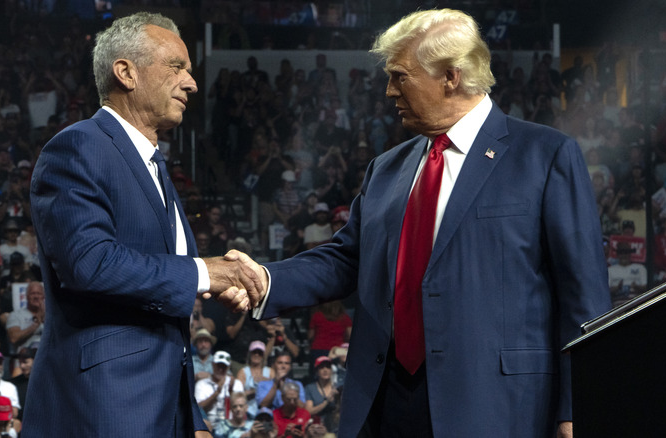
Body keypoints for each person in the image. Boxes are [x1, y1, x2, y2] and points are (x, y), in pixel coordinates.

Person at [232, 9, 610, 438]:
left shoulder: (545, 155)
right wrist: (264, 280)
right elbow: (345, 260)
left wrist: (578, 405)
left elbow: (584, 294)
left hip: (498, 406)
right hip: (389, 402)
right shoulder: (387, 169)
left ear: (451, 76)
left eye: (400, 76)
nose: (389, 91)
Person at [24, 12, 262, 437]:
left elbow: (163, 320)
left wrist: (192, 416)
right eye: (177, 67)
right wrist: (206, 272)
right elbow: (90, 264)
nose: (191, 82)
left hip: (162, 412)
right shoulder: (79, 146)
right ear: (126, 72)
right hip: (102, 407)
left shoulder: (154, 166)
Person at [194, 351, 244, 429]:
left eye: (224, 366)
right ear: (213, 365)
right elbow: (198, 410)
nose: (221, 369)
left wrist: (231, 392)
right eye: (218, 366)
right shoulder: (201, 384)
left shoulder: (236, 383)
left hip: (231, 426)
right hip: (209, 426)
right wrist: (216, 393)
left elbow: (241, 409)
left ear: (228, 367)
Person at [235, 340, 271, 418]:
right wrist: (254, 391)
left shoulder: (270, 372)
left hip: (266, 411)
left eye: (260, 353)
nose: (257, 355)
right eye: (254, 352)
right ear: (250, 354)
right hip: (248, 410)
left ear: (263, 355)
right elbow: (237, 395)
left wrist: (265, 381)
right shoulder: (243, 372)